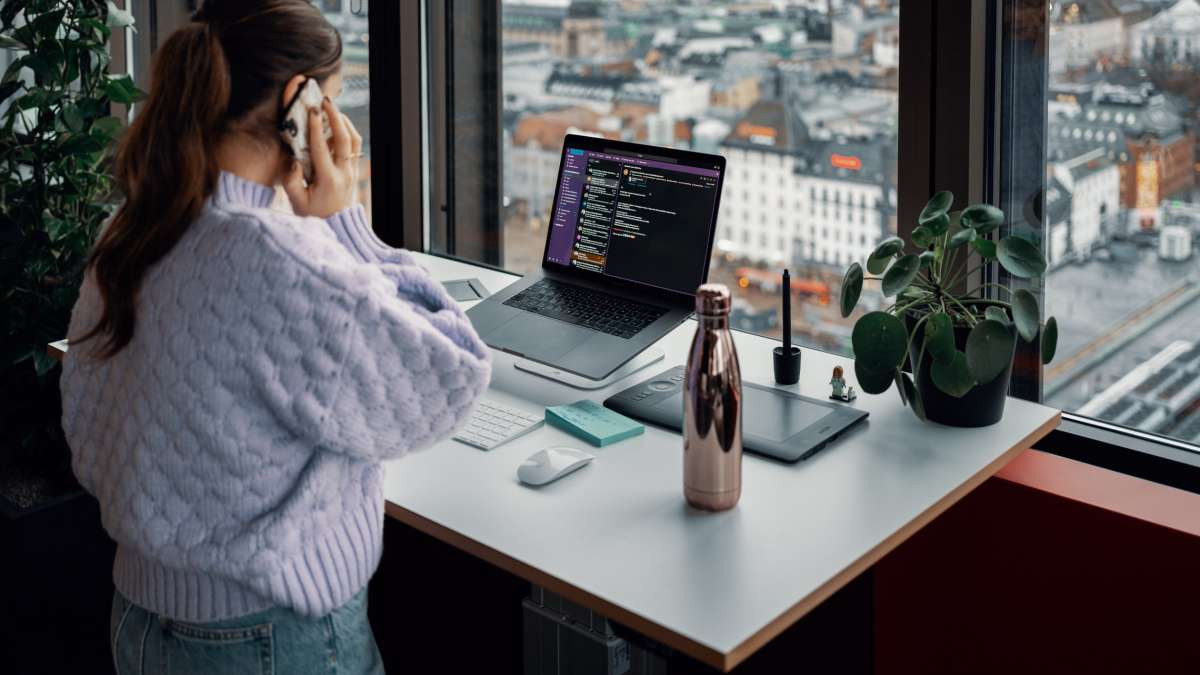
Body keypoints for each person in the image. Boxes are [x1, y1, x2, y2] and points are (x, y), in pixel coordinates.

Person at [59, 1, 490, 672]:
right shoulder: (282, 260)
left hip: (140, 619)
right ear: (300, 102)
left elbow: (89, 426)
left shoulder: (135, 228)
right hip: (266, 637)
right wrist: (346, 224)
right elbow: (451, 375)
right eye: (336, 102)